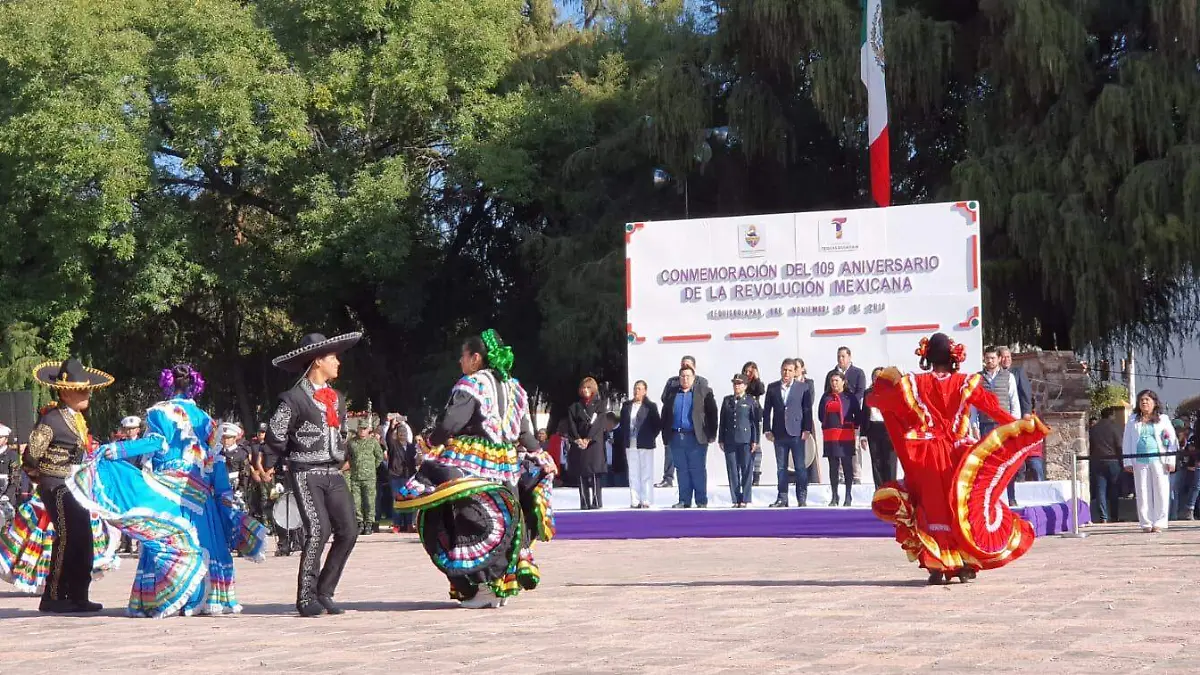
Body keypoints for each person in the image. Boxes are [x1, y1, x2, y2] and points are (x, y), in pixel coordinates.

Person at [72, 364, 268, 617]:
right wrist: (224, 495)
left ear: (167, 385)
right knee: (203, 539)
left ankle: (171, 593)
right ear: (194, 387)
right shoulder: (205, 419)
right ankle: (207, 597)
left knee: (162, 535)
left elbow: (156, 443)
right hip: (200, 492)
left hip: (171, 488)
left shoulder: (159, 412)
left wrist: (117, 450)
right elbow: (214, 458)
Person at [393, 329, 556, 609]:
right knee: (505, 519)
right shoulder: (516, 388)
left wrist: (430, 442)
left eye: (463, 356)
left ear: (476, 358)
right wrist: (542, 456)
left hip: (473, 463)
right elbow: (526, 435)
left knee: (463, 518)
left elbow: (451, 424)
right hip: (506, 467)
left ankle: (481, 588)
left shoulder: (471, 384)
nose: (461, 362)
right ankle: (499, 588)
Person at [870, 333, 1049, 585]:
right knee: (960, 505)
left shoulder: (914, 383)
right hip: (957, 452)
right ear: (953, 357)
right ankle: (964, 562)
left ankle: (936, 564)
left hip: (925, 455)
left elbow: (892, 405)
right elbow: (994, 409)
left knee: (931, 506)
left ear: (927, 357)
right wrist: (1018, 425)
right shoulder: (965, 382)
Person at [261, 331, 362, 617]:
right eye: (333, 358)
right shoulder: (293, 399)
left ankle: (325, 591)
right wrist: (267, 464)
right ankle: (306, 597)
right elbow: (276, 434)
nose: (338, 363)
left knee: (349, 531)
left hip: (333, 473)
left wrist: (345, 455)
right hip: (306, 473)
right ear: (318, 361)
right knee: (319, 531)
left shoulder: (338, 399)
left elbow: (342, 434)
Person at [21, 358, 115, 613]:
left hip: (75, 486)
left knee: (83, 538)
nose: (87, 394)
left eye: (87, 389)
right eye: (81, 389)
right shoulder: (51, 419)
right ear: (65, 392)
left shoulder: (78, 419)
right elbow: (31, 455)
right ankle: (53, 596)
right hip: (56, 485)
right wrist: (41, 479)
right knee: (66, 538)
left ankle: (78, 595)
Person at [661, 364, 718, 508]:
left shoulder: (703, 392)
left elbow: (712, 413)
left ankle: (701, 500)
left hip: (696, 437)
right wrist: (665, 436)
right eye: (682, 376)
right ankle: (684, 500)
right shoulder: (672, 393)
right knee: (682, 470)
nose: (685, 379)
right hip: (676, 437)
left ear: (694, 378)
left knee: (697, 469)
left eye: (688, 376)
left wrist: (711, 434)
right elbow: (665, 414)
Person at [1122, 390, 1176, 533]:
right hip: (1139, 460)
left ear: (1154, 403)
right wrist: (1127, 461)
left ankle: (1159, 522)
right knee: (1142, 491)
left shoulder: (1163, 419)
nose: (1144, 403)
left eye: (1147, 400)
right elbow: (1127, 441)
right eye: (1142, 400)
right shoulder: (1133, 419)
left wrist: (1171, 460)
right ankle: (1146, 523)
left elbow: (1171, 440)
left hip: (1159, 460)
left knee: (1160, 491)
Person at [764, 359, 813, 507]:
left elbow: (807, 409)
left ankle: (802, 497)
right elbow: (767, 411)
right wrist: (767, 429)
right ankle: (782, 497)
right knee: (781, 467)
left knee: (800, 466)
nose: (787, 373)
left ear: (795, 372)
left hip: (796, 432)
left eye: (790, 370)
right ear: (781, 370)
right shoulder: (772, 387)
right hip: (779, 433)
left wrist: (807, 429)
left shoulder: (803, 387)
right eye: (784, 370)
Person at [657, 356, 709, 488]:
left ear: (694, 367)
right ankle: (668, 478)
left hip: (693, 430)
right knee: (671, 453)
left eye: (688, 365)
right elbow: (665, 398)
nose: (685, 367)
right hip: (675, 428)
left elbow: (706, 404)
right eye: (683, 364)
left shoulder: (701, 381)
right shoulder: (673, 381)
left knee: (695, 463)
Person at [719, 374, 762, 507]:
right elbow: (723, 421)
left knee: (746, 469)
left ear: (745, 385)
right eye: (735, 383)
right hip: (730, 439)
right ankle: (735, 498)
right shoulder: (727, 400)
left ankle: (745, 498)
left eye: (739, 384)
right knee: (732, 469)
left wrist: (755, 440)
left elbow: (754, 422)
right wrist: (721, 438)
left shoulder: (750, 401)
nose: (737, 386)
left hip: (745, 439)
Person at [819, 373, 861, 506]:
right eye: (832, 381)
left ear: (843, 382)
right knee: (833, 466)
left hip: (845, 435)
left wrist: (853, 425)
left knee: (847, 465)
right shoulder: (826, 397)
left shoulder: (850, 397)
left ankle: (848, 495)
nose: (834, 383)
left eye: (837, 380)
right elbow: (820, 415)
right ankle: (834, 495)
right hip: (830, 435)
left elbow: (858, 415)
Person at [617, 380, 661, 508]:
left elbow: (657, 424)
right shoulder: (626, 406)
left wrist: (650, 436)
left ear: (645, 391)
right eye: (636, 388)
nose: (637, 391)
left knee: (646, 472)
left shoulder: (650, 406)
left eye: (640, 389)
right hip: (630, 443)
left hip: (645, 442)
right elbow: (623, 424)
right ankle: (635, 500)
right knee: (633, 472)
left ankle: (646, 499)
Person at [566, 377, 607, 510]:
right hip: (579, 443)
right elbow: (571, 425)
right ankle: (584, 501)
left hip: (594, 443)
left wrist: (589, 439)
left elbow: (598, 425)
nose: (585, 390)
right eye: (583, 388)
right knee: (581, 472)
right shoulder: (574, 407)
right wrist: (578, 439)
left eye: (588, 387)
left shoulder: (600, 405)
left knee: (594, 472)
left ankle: (596, 501)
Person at [1087, 405, 1125, 524]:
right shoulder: (1115, 427)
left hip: (1097, 461)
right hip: (1113, 460)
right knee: (1114, 488)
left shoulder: (1094, 429)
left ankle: (1103, 516)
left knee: (1100, 490)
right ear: (1111, 415)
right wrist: (1122, 460)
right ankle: (1114, 516)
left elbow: (1090, 446)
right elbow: (1119, 445)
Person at [860, 367, 897, 489]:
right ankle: (879, 490)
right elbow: (864, 413)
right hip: (873, 428)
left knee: (889, 461)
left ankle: (891, 489)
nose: (877, 378)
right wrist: (863, 434)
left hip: (888, 428)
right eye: (875, 376)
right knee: (876, 461)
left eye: (880, 376)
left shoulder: (893, 391)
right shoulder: (868, 392)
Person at [347, 424, 386, 534]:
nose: (362, 431)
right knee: (356, 502)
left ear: (368, 430)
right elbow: (349, 457)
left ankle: (369, 524)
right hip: (355, 477)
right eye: (360, 429)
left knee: (369, 501)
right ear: (357, 429)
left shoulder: (373, 442)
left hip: (369, 477)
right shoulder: (352, 443)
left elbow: (379, 456)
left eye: (364, 429)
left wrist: (372, 467)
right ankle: (360, 523)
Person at [741, 362, 767, 485]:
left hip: (755, 416)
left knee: (756, 445)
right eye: (746, 371)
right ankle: (745, 473)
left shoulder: (756, 384)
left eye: (750, 371)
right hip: (743, 416)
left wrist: (756, 378)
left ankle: (756, 473)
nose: (747, 374)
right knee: (744, 446)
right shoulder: (741, 383)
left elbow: (761, 390)